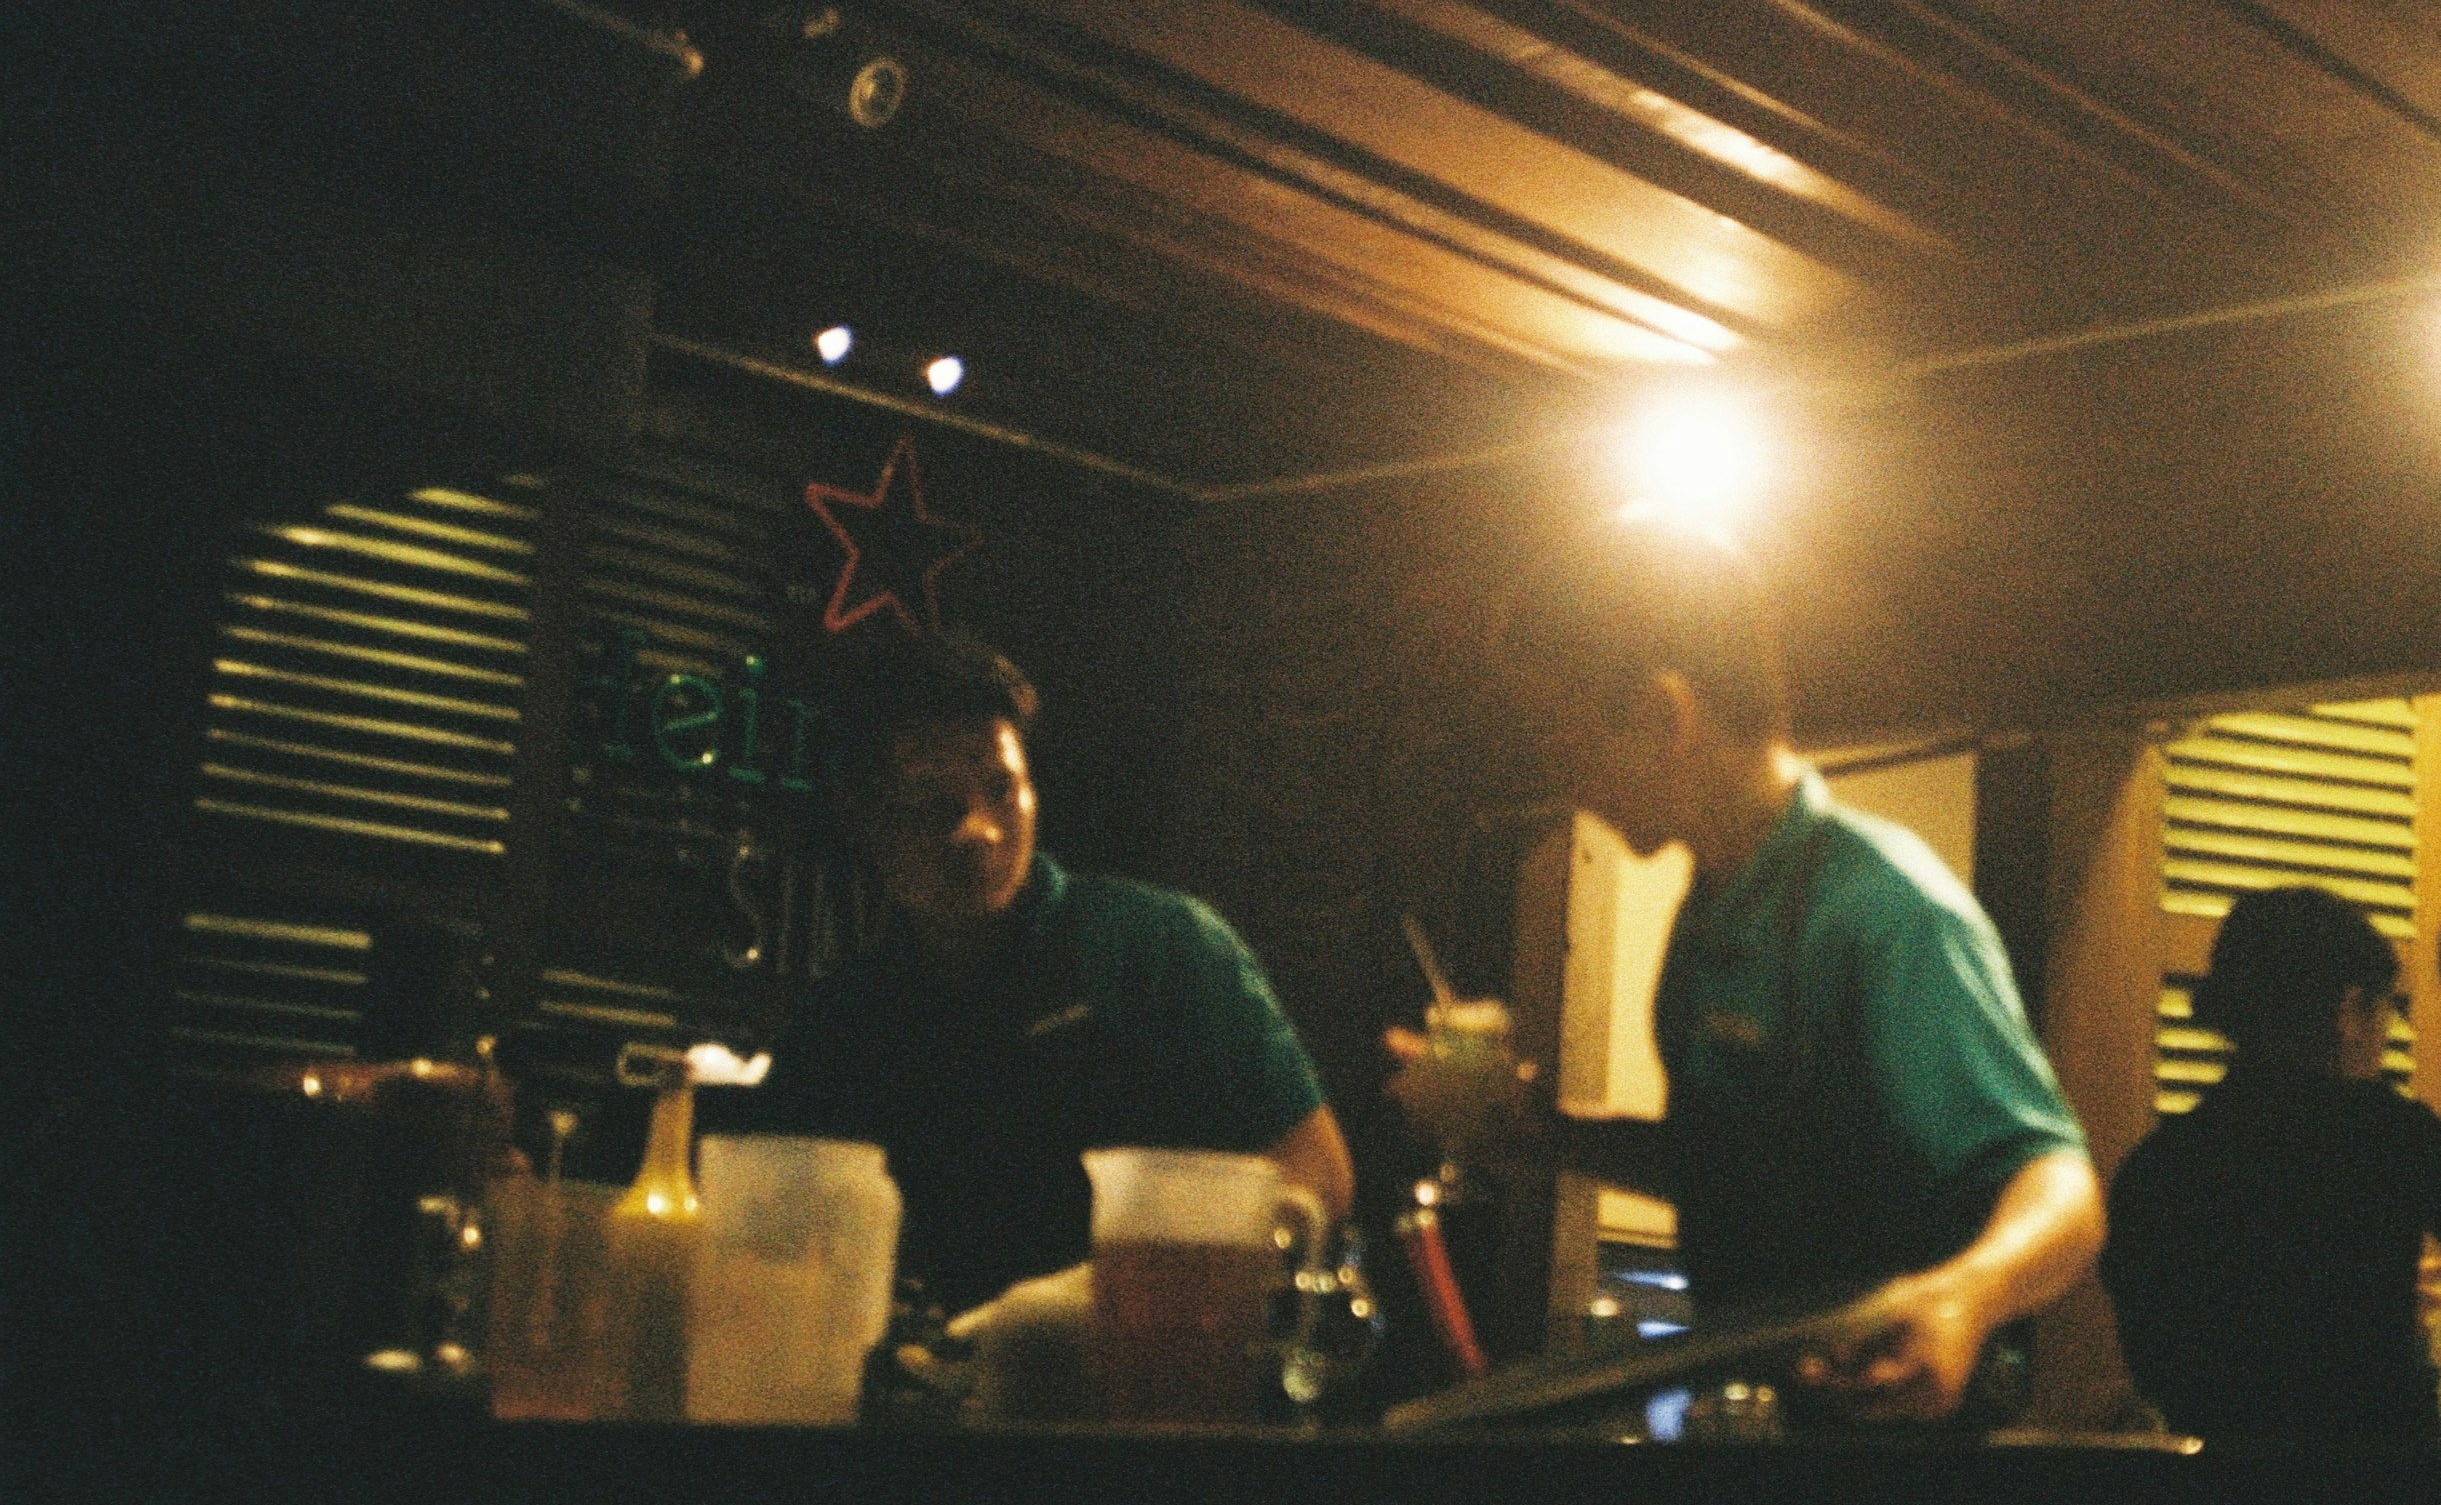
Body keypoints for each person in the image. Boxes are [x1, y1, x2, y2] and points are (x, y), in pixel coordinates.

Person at [1394, 512, 2101, 1424]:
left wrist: (1961, 1299)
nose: (1569, 786)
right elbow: (1737, 1176)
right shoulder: (1709, 909)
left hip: (1905, 1433)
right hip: (1769, 1408)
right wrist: (1543, 1133)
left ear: (1664, 715)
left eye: (1570, 748)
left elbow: (2062, 1189)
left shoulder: (1881, 908)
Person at [747, 628, 1352, 1319]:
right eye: (931, 804)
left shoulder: (1161, 949)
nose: (976, 829)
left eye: (1001, 790)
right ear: (860, 816)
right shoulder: (843, 1022)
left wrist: (1177, 1277)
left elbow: (1317, 1172)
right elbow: (773, 1241)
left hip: (1158, 1387)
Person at [2101, 886, 2441, 1439]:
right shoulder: (2385, 1134)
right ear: (2348, 1011)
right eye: (2389, 1008)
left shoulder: (2155, 1170)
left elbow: (2199, 1343)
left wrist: (2379, 1292)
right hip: (2368, 1499)